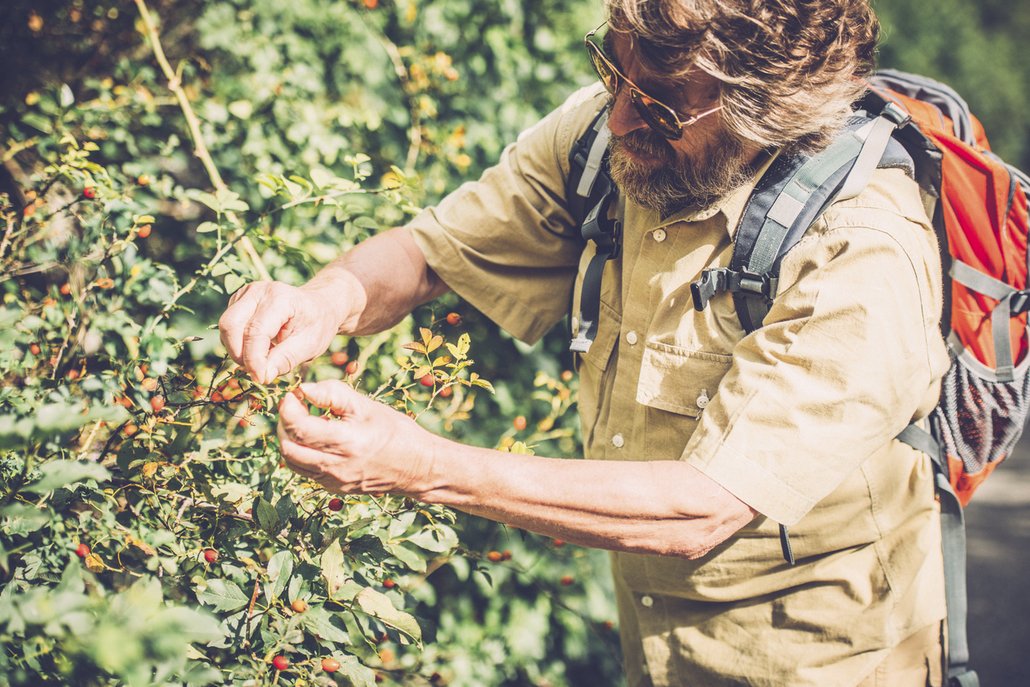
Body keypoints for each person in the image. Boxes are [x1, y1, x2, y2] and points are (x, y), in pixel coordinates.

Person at [218, 1, 951, 685]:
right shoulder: (604, 137)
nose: (622, 115)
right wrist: (323, 298)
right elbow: (431, 251)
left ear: (765, 118)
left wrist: (421, 465)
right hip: (654, 640)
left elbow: (702, 505)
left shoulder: (861, 251)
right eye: (613, 69)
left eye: (660, 105)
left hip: (825, 661)